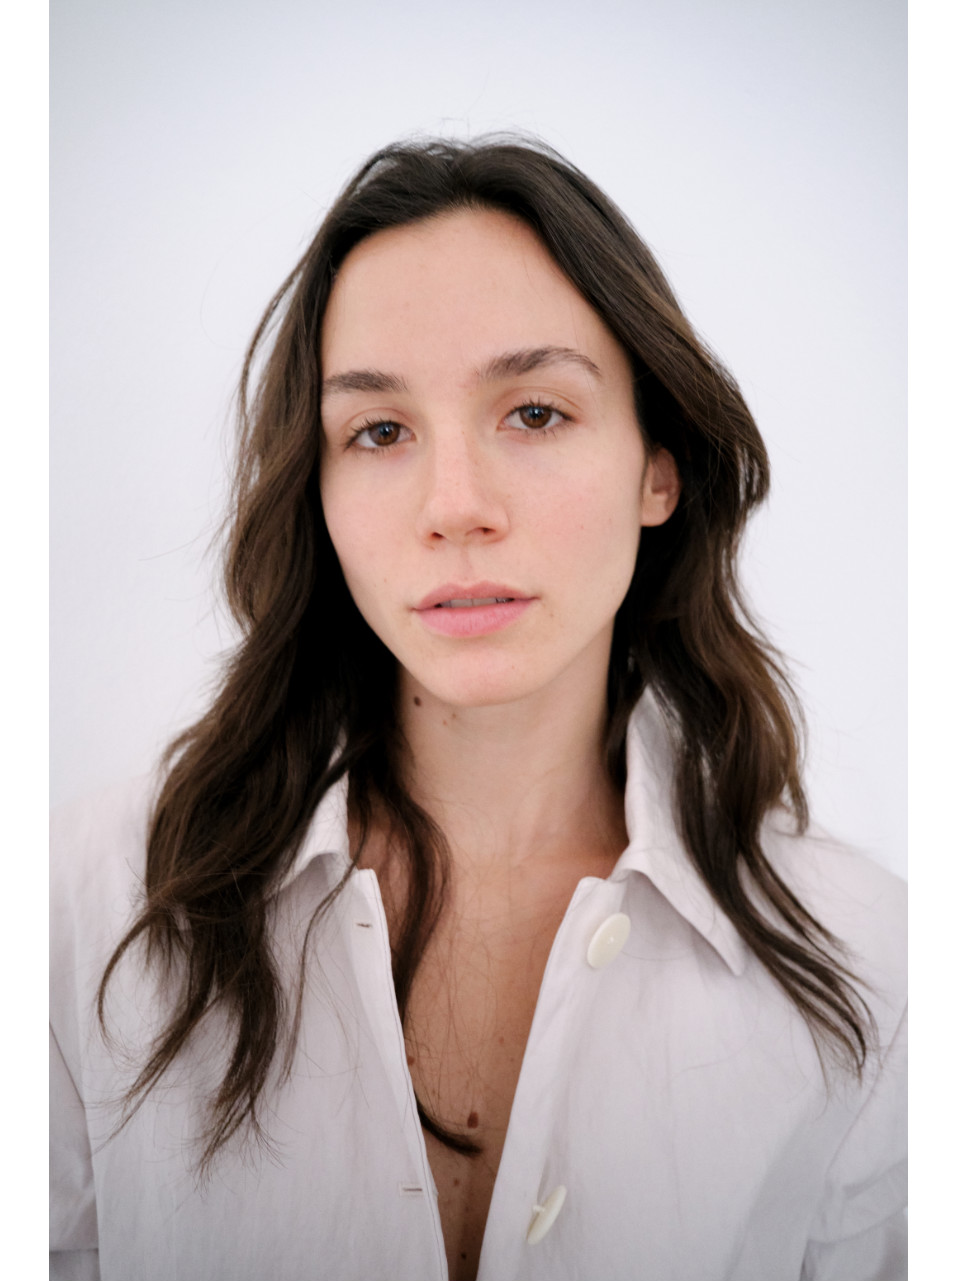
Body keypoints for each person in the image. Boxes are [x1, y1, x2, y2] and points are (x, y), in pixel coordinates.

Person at [50, 137, 906, 1281]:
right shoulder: (82, 907)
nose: (455, 506)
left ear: (659, 469)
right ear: (317, 491)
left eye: (536, 413)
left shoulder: (878, 970)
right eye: (379, 431)